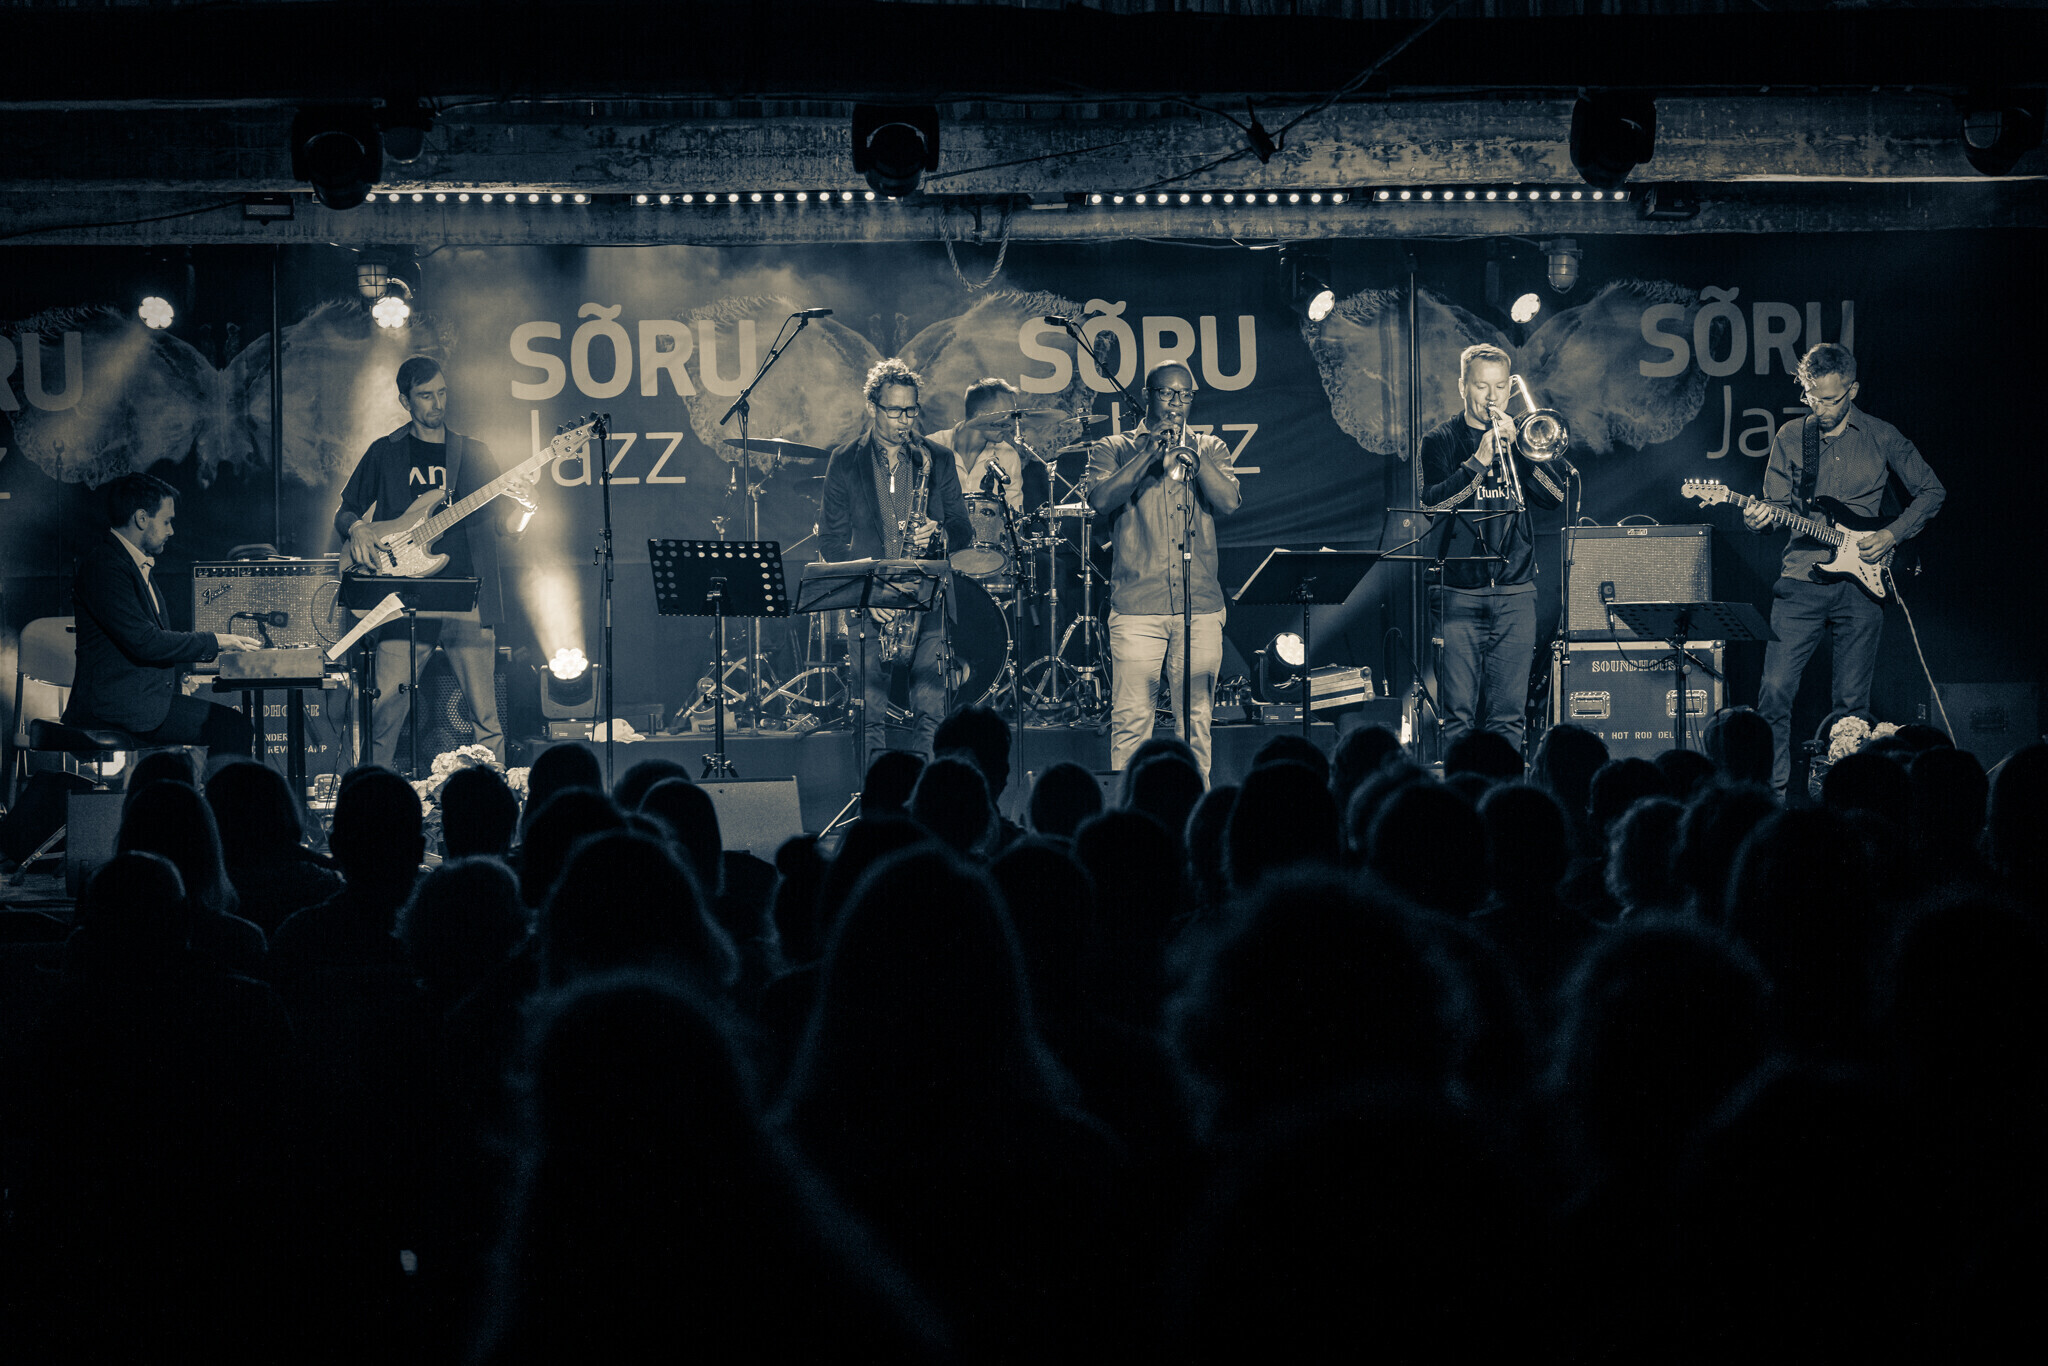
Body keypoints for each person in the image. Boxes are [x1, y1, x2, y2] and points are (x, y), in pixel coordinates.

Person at [1747, 343, 1945, 796]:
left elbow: (1932, 491)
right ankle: (1773, 798)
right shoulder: (1791, 436)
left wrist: (1891, 534)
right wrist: (1759, 518)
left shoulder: (1881, 435)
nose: (1819, 408)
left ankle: (1846, 799)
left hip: (1863, 585)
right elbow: (1776, 508)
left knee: (1852, 708)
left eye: (1830, 399)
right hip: (1800, 579)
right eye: (1811, 398)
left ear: (1852, 390)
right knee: (1774, 693)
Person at [334, 355, 538, 770]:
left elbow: (507, 527)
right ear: (405, 400)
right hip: (403, 597)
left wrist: (527, 508)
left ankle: (496, 794)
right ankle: (373, 792)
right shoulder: (386, 451)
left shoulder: (474, 454)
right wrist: (358, 529)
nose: (437, 403)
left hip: (466, 599)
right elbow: (346, 510)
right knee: (384, 713)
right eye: (426, 395)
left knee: (487, 717)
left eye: (442, 393)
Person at [1086, 361, 1242, 782]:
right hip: (1138, 608)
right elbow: (1100, 501)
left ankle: (1194, 810)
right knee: (1132, 722)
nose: (1176, 403)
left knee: (1196, 724)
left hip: (1199, 608)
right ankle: (1127, 809)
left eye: (1185, 395)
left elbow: (1229, 502)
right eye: (1167, 393)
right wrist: (1147, 455)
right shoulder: (1114, 446)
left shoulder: (1210, 447)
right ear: (1147, 395)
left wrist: (1193, 455)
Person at [818, 358, 974, 764]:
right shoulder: (844, 460)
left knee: (931, 712)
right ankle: (875, 796)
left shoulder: (936, 457)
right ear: (872, 407)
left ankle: (928, 795)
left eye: (911, 410)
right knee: (869, 714)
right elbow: (831, 540)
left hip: (928, 595)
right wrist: (869, 591)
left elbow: (963, 528)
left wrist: (938, 533)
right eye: (895, 411)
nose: (905, 421)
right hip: (871, 599)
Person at [1418, 344, 1564, 757]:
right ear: (1462, 386)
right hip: (1457, 592)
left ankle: (1507, 793)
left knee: (1509, 717)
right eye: (1482, 386)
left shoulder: (1520, 440)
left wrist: (1522, 452)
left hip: (1516, 592)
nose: (1492, 397)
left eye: (1501, 387)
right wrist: (1478, 461)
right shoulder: (1439, 441)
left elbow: (1554, 496)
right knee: (1458, 717)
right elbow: (1432, 507)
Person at [62, 473, 259, 757]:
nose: (171, 531)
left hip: (134, 701)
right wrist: (217, 640)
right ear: (142, 518)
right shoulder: (105, 567)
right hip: (114, 708)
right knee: (233, 727)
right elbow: (146, 642)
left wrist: (175, 682)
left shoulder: (129, 563)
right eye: (166, 521)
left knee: (230, 726)